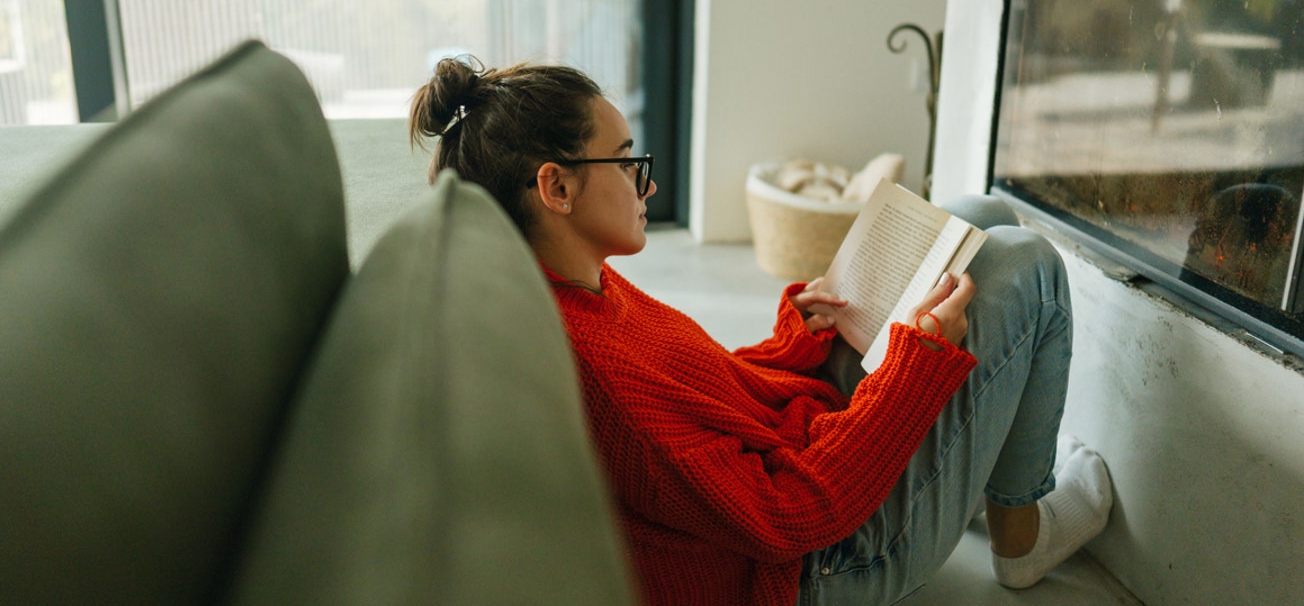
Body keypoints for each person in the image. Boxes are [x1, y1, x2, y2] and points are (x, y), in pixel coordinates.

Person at [408, 56, 1113, 606]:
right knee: (1026, 268)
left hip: (791, 473)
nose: (646, 184)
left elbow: (696, 406)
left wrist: (789, 346)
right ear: (556, 188)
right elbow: (789, 516)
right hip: (815, 568)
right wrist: (916, 363)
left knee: (980, 214)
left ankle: (982, 466)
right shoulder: (595, 374)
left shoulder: (577, 282)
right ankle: (1020, 537)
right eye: (627, 161)